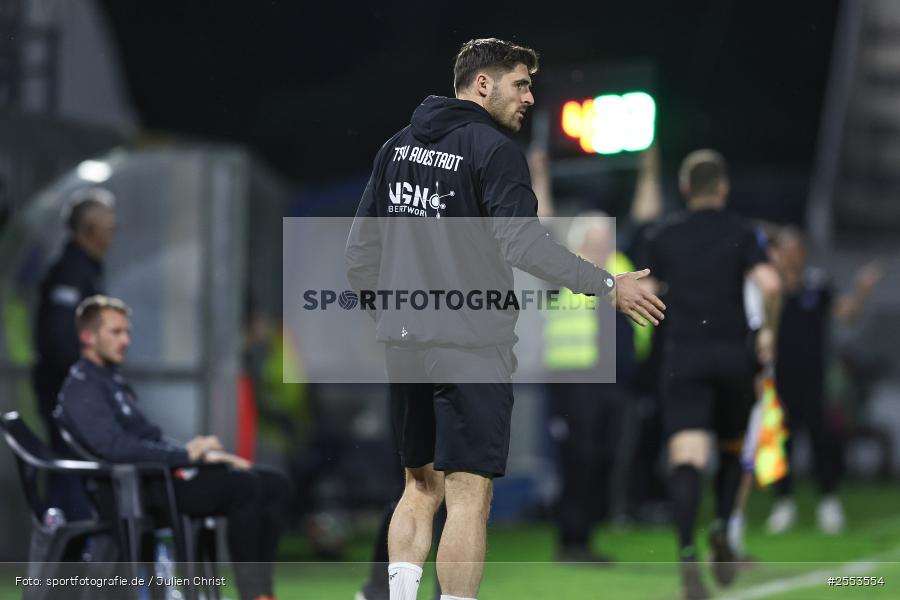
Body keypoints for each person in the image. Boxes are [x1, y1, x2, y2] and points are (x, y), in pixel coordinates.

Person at [345, 37, 665, 600]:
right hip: (471, 342)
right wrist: (607, 283)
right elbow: (525, 246)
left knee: (418, 487)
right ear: (482, 85)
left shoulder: (396, 147)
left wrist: (394, 318)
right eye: (520, 84)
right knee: (469, 493)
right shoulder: (493, 152)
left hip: (407, 339)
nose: (529, 97)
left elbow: (358, 255)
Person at [54, 295, 289, 600]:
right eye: (115, 332)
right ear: (88, 336)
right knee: (245, 487)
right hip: (134, 493)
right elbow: (116, 449)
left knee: (274, 483)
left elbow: (147, 438)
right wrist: (184, 456)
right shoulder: (82, 388)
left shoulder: (110, 382)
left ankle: (263, 593)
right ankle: (253, 594)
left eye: (127, 332)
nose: (125, 340)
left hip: (154, 480)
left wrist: (204, 456)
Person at [639, 150, 780, 600]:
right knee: (732, 447)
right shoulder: (743, 231)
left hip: (684, 356)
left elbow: (644, 288)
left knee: (687, 456)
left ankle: (686, 556)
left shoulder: (665, 235)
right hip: (731, 357)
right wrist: (767, 334)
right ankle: (721, 525)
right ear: (723, 188)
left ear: (684, 189)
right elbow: (771, 284)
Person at [764, 226, 882, 535]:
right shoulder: (770, 289)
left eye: (797, 249)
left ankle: (828, 501)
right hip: (779, 378)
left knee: (822, 440)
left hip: (815, 379)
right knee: (780, 443)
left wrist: (862, 290)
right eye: (786, 249)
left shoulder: (817, 286)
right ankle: (783, 503)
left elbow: (846, 314)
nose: (792, 255)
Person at [33, 187, 116, 519]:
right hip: (66, 392)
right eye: (109, 227)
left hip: (75, 391)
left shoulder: (88, 270)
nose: (114, 234)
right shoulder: (71, 271)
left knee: (75, 468)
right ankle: (69, 546)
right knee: (71, 469)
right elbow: (58, 340)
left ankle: (74, 547)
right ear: (89, 230)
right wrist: (88, 378)